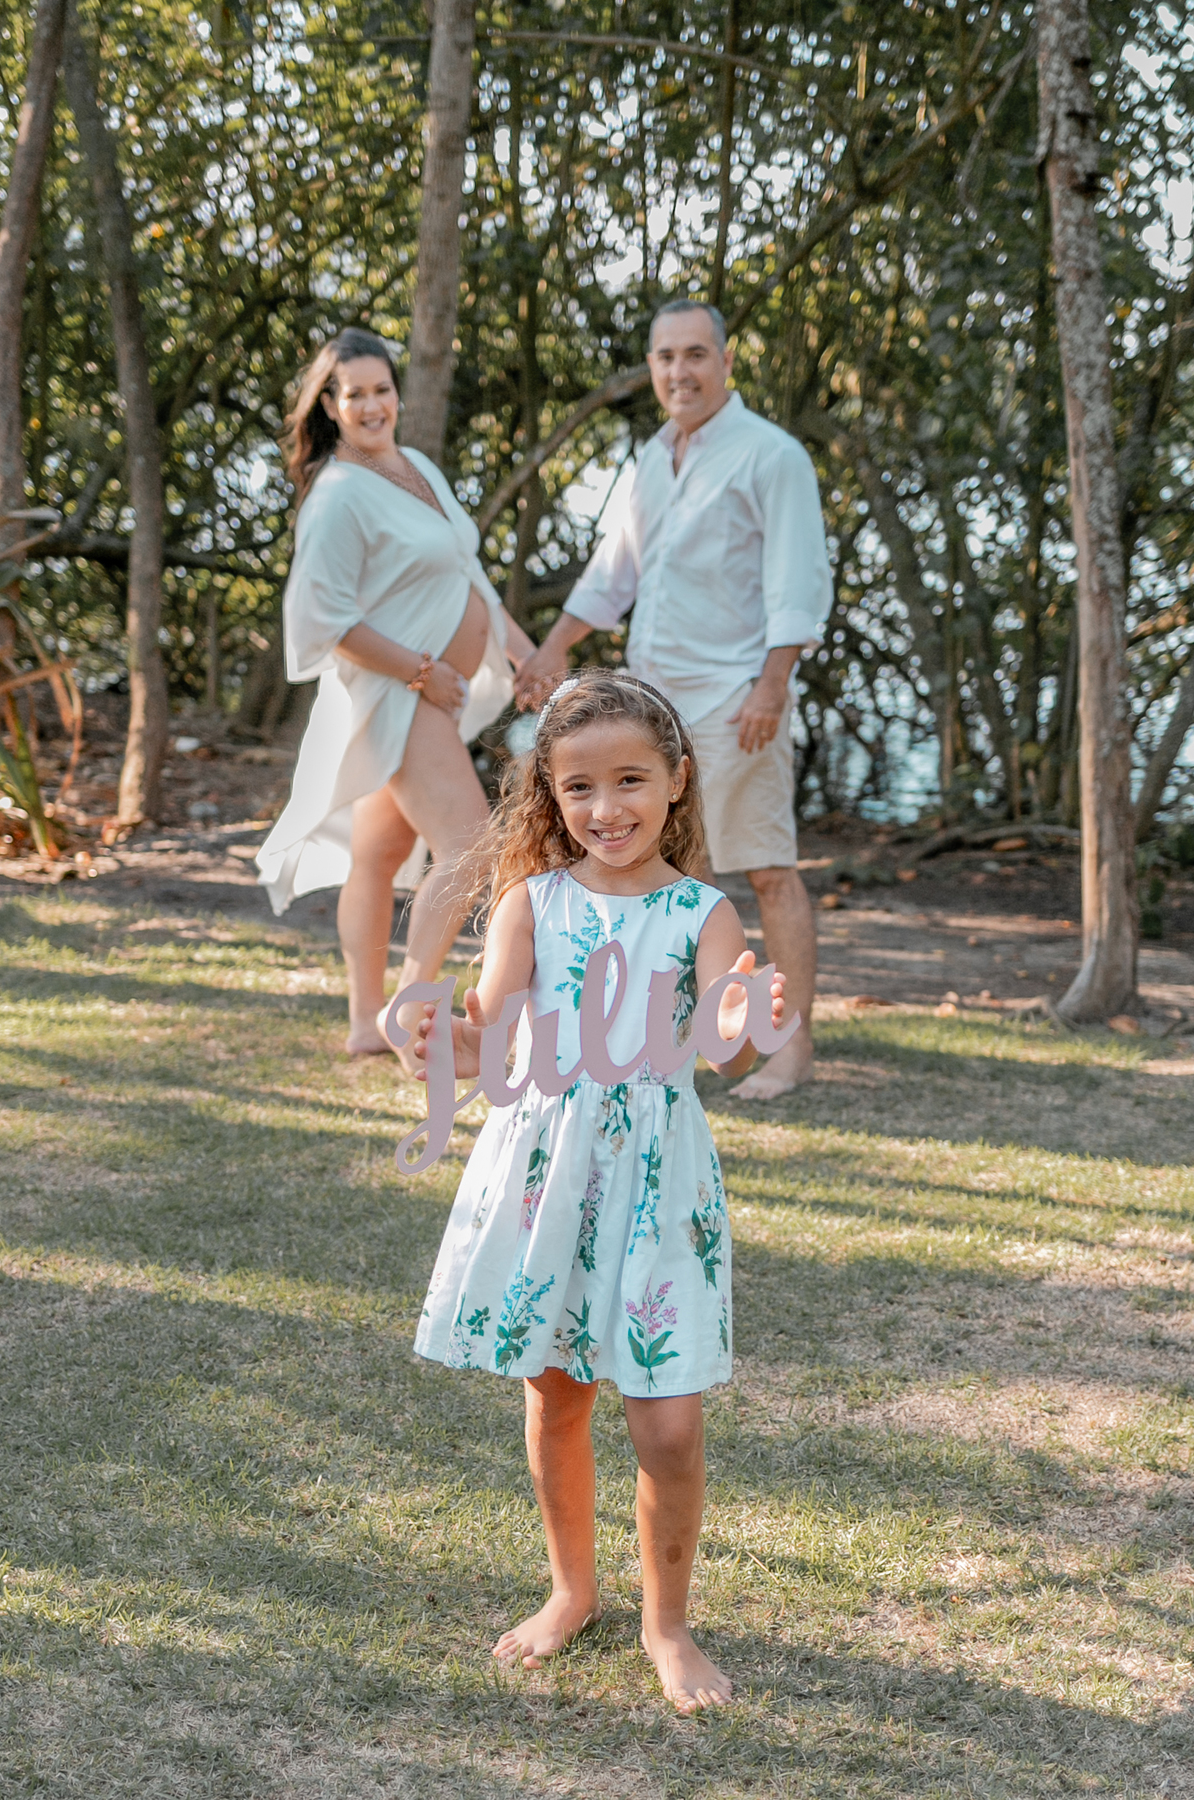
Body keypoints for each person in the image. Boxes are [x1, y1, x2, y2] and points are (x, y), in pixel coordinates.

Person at [407, 670, 787, 1713]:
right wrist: (442, 1039)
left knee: (665, 1425)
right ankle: (571, 1590)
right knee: (557, 1391)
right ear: (550, 795)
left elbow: (722, 1049)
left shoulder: (702, 912)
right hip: (549, 1176)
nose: (606, 808)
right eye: (579, 787)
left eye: (630, 780)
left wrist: (749, 1013)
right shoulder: (532, 901)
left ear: (677, 780)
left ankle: (667, 1623)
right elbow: (491, 1035)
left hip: (658, 1181)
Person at [514, 299, 832, 1096]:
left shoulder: (772, 455)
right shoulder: (655, 457)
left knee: (765, 866)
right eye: (664, 358)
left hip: (736, 696)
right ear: (651, 369)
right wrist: (554, 650)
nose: (679, 372)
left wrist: (771, 684)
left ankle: (789, 1048)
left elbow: (797, 581)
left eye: (695, 355)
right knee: (668, 868)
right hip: (651, 706)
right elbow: (614, 573)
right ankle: (662, 1036)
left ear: (726, 362)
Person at [256, 327, 535, 1060]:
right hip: (396, 695)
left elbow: (466, 573)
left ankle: (362, 1021)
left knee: (378, 856)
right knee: (471, 846)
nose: (373, 405)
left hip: (431, 694)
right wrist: (420, 670)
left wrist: (521, 650)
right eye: (356, 395)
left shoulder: (413, 466)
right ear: (331, 404)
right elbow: (323, 621)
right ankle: (409, 1012)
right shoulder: (337, 496)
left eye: (383, 390)